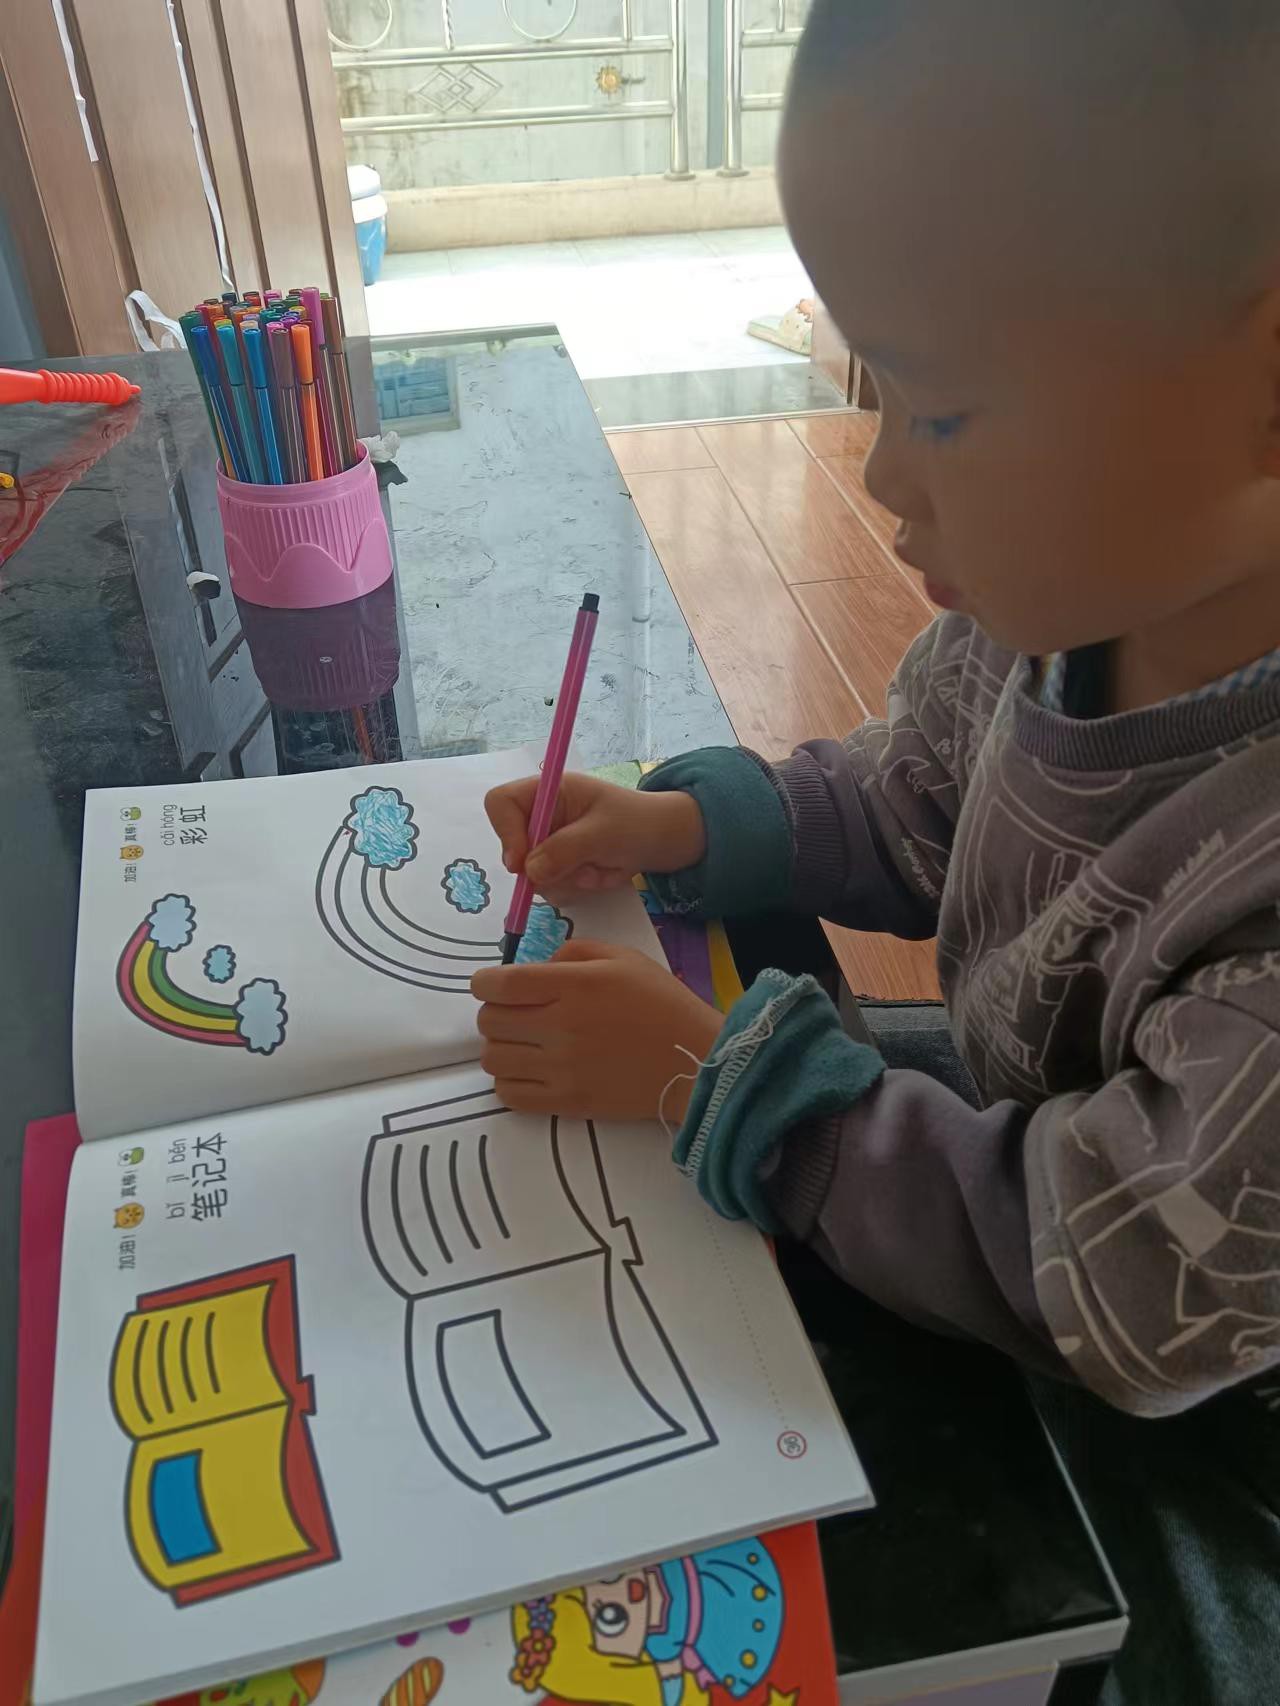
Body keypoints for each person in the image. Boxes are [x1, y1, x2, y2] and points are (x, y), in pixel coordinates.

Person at [471, 4, 1280, 1700]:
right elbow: (918, 796)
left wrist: (724, 1086)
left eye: (944, 412)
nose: (883, 473)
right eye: (874, 386)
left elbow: (1122, 1285)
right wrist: (694, 823)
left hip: (1206, 1421)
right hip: (1030, 1152)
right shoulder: (1068, 601)